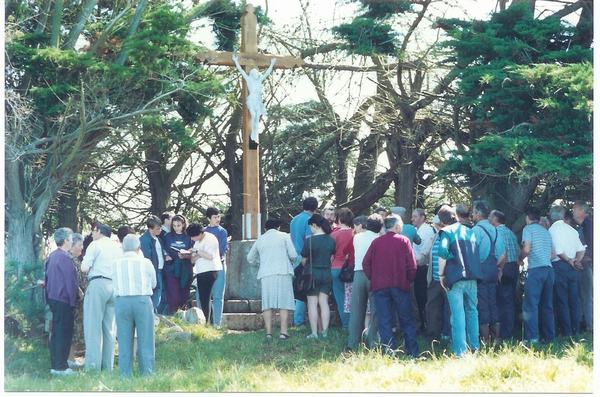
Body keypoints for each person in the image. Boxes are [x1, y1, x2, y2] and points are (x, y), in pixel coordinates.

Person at [363, 215, 419, 357]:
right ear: (397, 227)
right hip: (400, 284)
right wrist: (409, 279)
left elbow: (366, 263)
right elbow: (412, 265)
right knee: (406, 318)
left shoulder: (376, 242)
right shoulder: (404, 241)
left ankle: (389, 351)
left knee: (385, 319)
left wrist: (373, 277)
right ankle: (412, 350)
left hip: (380, 286)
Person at [437, 205, 481, 357]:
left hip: (455, 277)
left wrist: (441, 275)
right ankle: (475, 346)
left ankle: (460, 351)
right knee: (472, 311)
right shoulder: (470, 231)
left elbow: (442, 253)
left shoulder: (446, 232)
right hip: (473, 276)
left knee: (457, 314)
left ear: (442, 221)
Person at [112, 234, 157, 378]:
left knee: (124, 340)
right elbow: (154, 283)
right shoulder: (146, 262)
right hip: (142, 301)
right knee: (146, 339)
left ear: (123, 248)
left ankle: (125, 375)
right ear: (139, 248)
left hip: (122, 302)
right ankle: (147, 373)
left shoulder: (115, 263)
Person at [247, 218, 297, 340]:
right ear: (278, 227)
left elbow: (250, 258)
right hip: (283, 272)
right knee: (284, 303)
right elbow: (293, 255)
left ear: (265, 228)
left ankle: (268, 333)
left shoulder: (261, 239)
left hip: (266, 273)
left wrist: (261, 263)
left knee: (267, 304)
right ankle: (283, 332)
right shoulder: (284, 236)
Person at [81, 223, 120, 372]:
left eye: (93, 230)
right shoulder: (117, 246)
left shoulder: (95, 244)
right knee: (109, 329)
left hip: (98, 283)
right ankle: (107, 367)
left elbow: (85, 267)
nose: (91, 233)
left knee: (92, 326)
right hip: (114, 286)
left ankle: (92, 367)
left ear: (99, 231)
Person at [45, 227, 78, 375]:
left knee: (57, 333)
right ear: (65, 240)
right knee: (63, 333)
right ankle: (60, 367)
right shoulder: (65, 258)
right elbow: (70, 282)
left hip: (53, 299)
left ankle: (57, 364)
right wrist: (73, 301)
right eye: (71, 239)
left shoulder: (52, 256)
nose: (72, 242)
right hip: (64, 300)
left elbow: (46, 280)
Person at [472, 200, 506, 344]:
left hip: (480, 272)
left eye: (473, 212)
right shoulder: (496, 230)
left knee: (482, 305)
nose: (472, 215)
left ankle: (485, 340)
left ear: (478, 214)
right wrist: (497, 268)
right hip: (493, 271)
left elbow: (472, 254)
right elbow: (503, 254)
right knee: (493, 303)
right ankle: (497, 338)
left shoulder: (475, 231)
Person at [346, 214, 383, 350]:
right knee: (375, 309)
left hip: (359, 273)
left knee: (356, 309)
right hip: (375, 274)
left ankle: (352, 342)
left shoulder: (357, 237)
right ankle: (373, 341)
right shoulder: (379, 239)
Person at [520, 207, 556, 344]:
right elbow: (553, 254)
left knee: (531, 305)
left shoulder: (528, 229)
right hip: (549, 270)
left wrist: (520, 257)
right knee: (547, 305)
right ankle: (549, 337)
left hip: (536, 270)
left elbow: (527, 249)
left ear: (528, 218)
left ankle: (532, 338)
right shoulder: (546, 231)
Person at [548, 205, 585, 336]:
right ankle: (576, 329)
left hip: (560, 266)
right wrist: (577, 261)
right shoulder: (572, 230)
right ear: (564, 216)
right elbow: (581, 249)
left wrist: (569, 260)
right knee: (574, 299)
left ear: (551, 216)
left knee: (562, 300)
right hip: (573, 268)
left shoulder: (551, 230)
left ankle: (566, 331)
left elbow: (558, 251)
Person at [302, 214, 336, 339]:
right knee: (324, 303)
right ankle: (325, 332)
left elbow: (304, 260)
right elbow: (332, 257)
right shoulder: (331, 240)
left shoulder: (309, 241)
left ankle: (314, 333)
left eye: (310, 226)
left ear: (314, 225)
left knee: (312, 304)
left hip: (312, 274)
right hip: (327, 273)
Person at [232, 53, 276, 146]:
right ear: (252, 74)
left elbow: (267, 73)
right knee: (253, 115)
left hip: (258, 101)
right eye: (254, 73)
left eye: (257, 73)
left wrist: (272, 64)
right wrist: (236, 61)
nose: (256, 74)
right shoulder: (249, 80)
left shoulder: (259, 81)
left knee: (256, 119)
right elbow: (241, 71)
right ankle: (252, 137)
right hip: (252, 100)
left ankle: (254, 137)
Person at [490, 209, 520, 340]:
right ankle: (510, 330)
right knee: (509, 300)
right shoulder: (511, 233)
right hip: (514, 267)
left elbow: (502, 253)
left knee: (502, 301)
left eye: (490, 217)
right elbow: (519, 251)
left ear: (495, 220)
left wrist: (497, 268)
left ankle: (504, 334)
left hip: (504, 267)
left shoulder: (497, 233)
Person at [289, 197, 318, 326]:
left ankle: (298, 318)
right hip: (306, 258)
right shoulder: (309, 220)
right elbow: (309, 240)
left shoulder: (294, 220)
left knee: (298, 288)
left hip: (295, 257)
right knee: (306, 289)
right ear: (315, 208)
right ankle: (299, 320)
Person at [188, 223, 222, 322]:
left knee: (206, 298)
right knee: (203, 299)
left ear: (198, 234)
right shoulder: (197, 242)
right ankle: (208, 321)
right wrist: (193, 253)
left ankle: (207, 321)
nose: (192, 239)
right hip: (200, 271)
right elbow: (193, 260)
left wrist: (197, 252)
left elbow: (210, 256)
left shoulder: (210, 238)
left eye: (192, 237)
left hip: (210, 271)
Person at [425, 215, 450, 340]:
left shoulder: (450, 235)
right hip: (435, 279)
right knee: (432, 307)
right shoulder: (435, 237)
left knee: (449, 307)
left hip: (447, 279)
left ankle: (447, 334)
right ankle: (433, 335)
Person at [411, 208, 436, 332]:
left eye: (415, 216)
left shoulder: (427, 231)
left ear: (422, 217)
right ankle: (420, 322)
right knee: (416, 296)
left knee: (422, 296)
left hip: (422, 267)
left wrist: (418, 260)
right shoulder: (415, 230)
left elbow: (426, 249)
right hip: (415, 266)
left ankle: (424, 323)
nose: (412, 219)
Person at [163, 215, 194, 314]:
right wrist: (166, 256)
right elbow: (163, 251)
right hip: (171, 269)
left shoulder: (189, 237)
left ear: (184, 225)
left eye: (179, 225)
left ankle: (182, 316)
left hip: (185, 268)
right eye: (174, 225)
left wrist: (186, 254)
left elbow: (194, 251)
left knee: (184, 294)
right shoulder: (167, 236)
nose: (176, 227)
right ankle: (173, 315)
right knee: (173, 295)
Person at [330, 207, 354, 329]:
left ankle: (346, 324)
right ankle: (356, 324)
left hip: (335, 267)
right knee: (353, 298)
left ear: (339, 219)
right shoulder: (355, 233)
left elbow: (330, 254)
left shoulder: (333, 234)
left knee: (341, 299)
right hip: (351, 269)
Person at [204, 207, 228, 327]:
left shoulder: (222, 231)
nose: (217, 219)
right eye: (215, 217)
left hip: (219, 266)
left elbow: (222, 250)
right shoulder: (203, 231)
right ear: (208, 218)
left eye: (219, 216)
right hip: (205, 268)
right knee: (205, 296)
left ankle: (217, 324)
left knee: (218, 296)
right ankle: (205, 323)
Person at [140, 215, 167, 313]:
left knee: (159, 294)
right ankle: (151, 314)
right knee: (155, 293)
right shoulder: (145, 240)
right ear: (150, 228)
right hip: (153, 270)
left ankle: (153, 313)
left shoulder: (158, 239)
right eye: (157, 229)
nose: (160, 230)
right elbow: (147, 258)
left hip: (160, 269)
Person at [573, 201, 593, 332]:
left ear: (581, 211)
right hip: (585, 264)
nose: (573, 212)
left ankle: (591, 326)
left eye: (574, 209)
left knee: (587, 296)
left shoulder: (588, 225)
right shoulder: (585, 226)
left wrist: (586, 259)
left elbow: (592, 244)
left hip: (588, 265)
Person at [67, 233, 86, 369]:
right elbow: (71, 280)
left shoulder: (76, 259)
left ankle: (72, 358)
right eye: (80, 245)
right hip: (72, 302)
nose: (82, 248)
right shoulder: (68, 259)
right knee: (72, 330)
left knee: (76, 331)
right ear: (72, 246)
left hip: (78, 302)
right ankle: (69, 359)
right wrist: (79, 290)